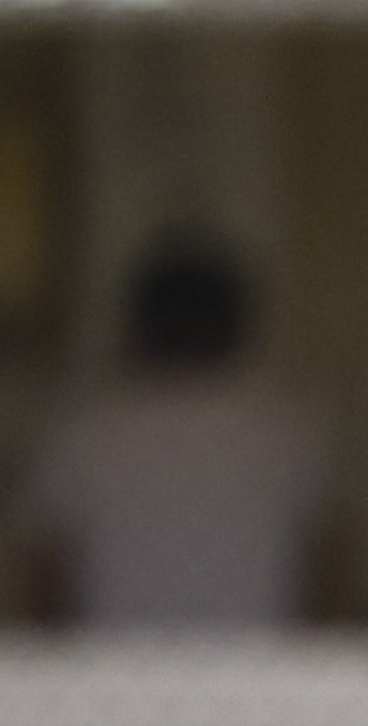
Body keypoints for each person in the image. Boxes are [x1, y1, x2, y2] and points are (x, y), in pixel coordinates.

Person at [21, 234, 330, 630]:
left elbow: (37, 588)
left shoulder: (85, 434)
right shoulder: (289, 432)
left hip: (116, 680)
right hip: (257, 677)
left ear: (139, 328)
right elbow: (326, 581)